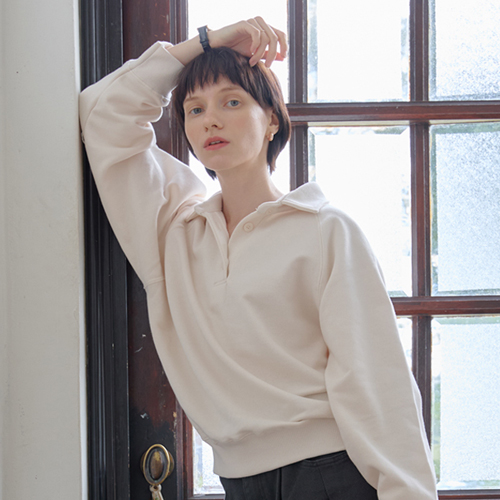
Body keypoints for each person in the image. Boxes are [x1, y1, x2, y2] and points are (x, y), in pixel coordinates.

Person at [80, 17, 439, 500]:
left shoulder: (325, 229)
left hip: (333, 474)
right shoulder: (174, 228)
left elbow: (379, 381)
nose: (211, 120)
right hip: (240, 480)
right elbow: (101, 112)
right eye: (194, 109)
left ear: (272, 119)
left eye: (232, 102)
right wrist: (205, 42)